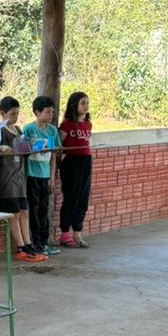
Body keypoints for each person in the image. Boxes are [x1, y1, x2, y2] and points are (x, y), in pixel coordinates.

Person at [0, 96, 47, 264]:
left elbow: (23, 149)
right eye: (12, 113)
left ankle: (28, 244)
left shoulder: (18, 130)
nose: (15, 116)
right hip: (5, 180)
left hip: (20, 177)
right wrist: (0, 149)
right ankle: (20, 247)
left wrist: (34, 147)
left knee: (24, 212)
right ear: (2, 113)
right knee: (13, 214)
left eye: (17, 113)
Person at [23, 95, 62, 256]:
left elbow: (54, 155)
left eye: (52, 112)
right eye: (47, 112)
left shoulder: (52, 130)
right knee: (34, 208)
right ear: (37, 112)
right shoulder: (28, 129)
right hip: (31, 175)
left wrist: (52, 178)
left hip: (45, 175)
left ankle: (45, 242)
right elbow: (22, 152)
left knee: (44, 209)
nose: (50, 115)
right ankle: (36, 242)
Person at [58, 91, 92, 248]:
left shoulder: (88, 124)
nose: (85, 106)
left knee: (83, 198)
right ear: (74, 105)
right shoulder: (66, 125)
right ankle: (65, 233)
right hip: (72, 163)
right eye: (82, 103)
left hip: (86, 161)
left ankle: (77, 231)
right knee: (71, 197)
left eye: (87, 103)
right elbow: (59, 147)